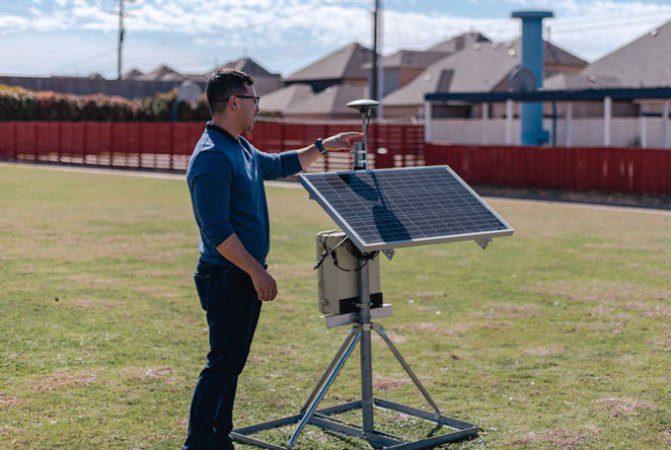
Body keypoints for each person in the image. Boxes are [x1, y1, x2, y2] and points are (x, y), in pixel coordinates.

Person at [183, 69, 362, 450]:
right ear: (234, 103)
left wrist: (324, 145)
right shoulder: (213, 157)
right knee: (222, 366)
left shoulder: (239, 147)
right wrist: (256, 272)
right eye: (254, 101)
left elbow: (280, 164)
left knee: (231, 364)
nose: (257, 109)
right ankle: (198, 444)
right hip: (227, 276)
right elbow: (217, 233)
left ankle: (220, 438)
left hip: (239, 276)